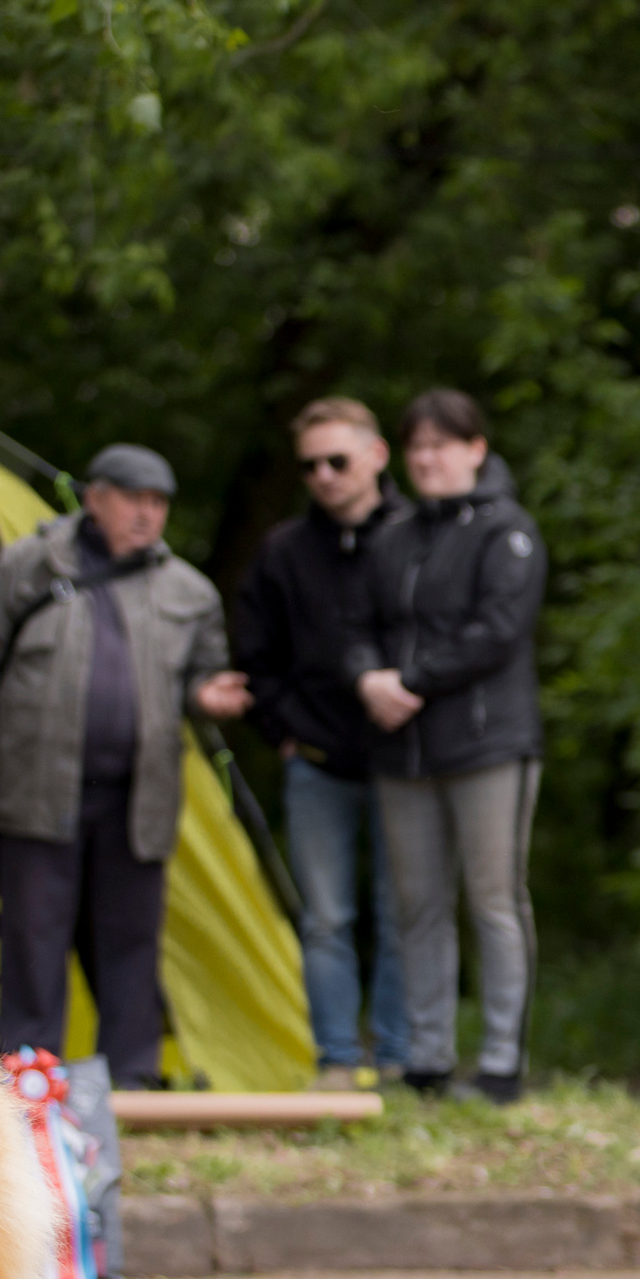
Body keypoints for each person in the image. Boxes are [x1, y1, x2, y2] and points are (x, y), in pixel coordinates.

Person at [0, 445, 251, 1085]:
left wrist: (209, 697)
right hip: (36, 789)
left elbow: (203, 678)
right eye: (133, 498)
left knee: (131, 942)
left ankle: (131, 1081)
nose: (146, 514)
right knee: (33, 939)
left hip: (137, 798)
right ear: (95, 496)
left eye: (158, 503)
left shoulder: (189, 591)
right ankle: (28, 1084)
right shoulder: (27, 563)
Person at [342, 390, 545, 1104]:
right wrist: (369, 678)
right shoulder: (392, 537)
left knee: (493, 899)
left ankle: (499, 1064)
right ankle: (426, 1060)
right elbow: (358, 620)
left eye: (442, 444)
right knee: (416, 904)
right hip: (404, 751)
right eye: (416, 446)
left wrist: (411, 682)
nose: (427, 458)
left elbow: (498, 631)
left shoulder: (507, 532)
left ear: (476, 449)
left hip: (490, 746)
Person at [233, 397, 411, 1088]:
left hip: (405, 762)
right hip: (315, 762)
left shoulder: (415, 536)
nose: (325, 476)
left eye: (338, 460)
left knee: (404, 913)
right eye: (310, 466)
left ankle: (400, 1060)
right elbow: (256, 654)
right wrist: (281, 731)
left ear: (375, 456)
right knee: (326, 918)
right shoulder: (282, 551)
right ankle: (337, 1060)